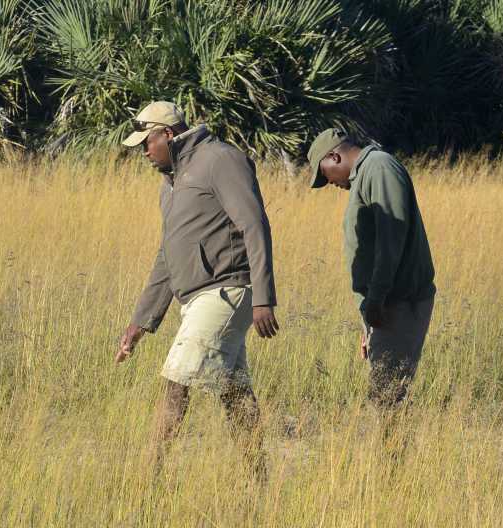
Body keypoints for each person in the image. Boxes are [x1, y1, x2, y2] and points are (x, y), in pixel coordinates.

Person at [115, 101, 279, 477]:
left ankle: (146, 479)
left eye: (147, 143)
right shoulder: (169, 183)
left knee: (176, 381)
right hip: (197, 299)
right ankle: (262, 480)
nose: (143, 151)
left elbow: (255, 224)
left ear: (168, 135)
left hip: (225, 291)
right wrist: (141, 322)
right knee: (235, 393)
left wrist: (265, 298)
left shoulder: (220, 160)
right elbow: (167, 256)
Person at [308, 128, 436, 408]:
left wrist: (376, 300)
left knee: (388, 394)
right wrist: (367, 322)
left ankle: (392, 452)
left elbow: (392, 238)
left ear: (334, 156)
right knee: (385, 391)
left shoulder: (378, 168)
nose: (328, 182)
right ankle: (391, 451)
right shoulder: (366, 174)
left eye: (324, 173)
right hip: (384, 305)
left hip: (397, 302)